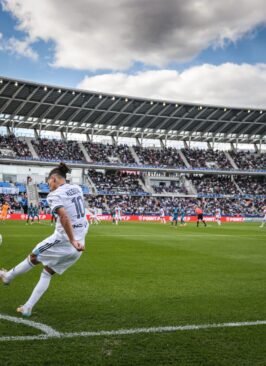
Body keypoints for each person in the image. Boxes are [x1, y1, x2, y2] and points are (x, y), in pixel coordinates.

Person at [0, 163, 88, 317]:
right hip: (79, 246)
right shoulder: (78, 188)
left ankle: (8, 277)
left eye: (48, 183)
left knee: (33, 256)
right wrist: (75, 241)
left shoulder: (54, 195)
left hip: (64, 241)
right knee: (47, 273)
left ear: (54, 179)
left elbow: (64, 216)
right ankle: (27, 307)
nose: (48, 186)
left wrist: (72, 239)